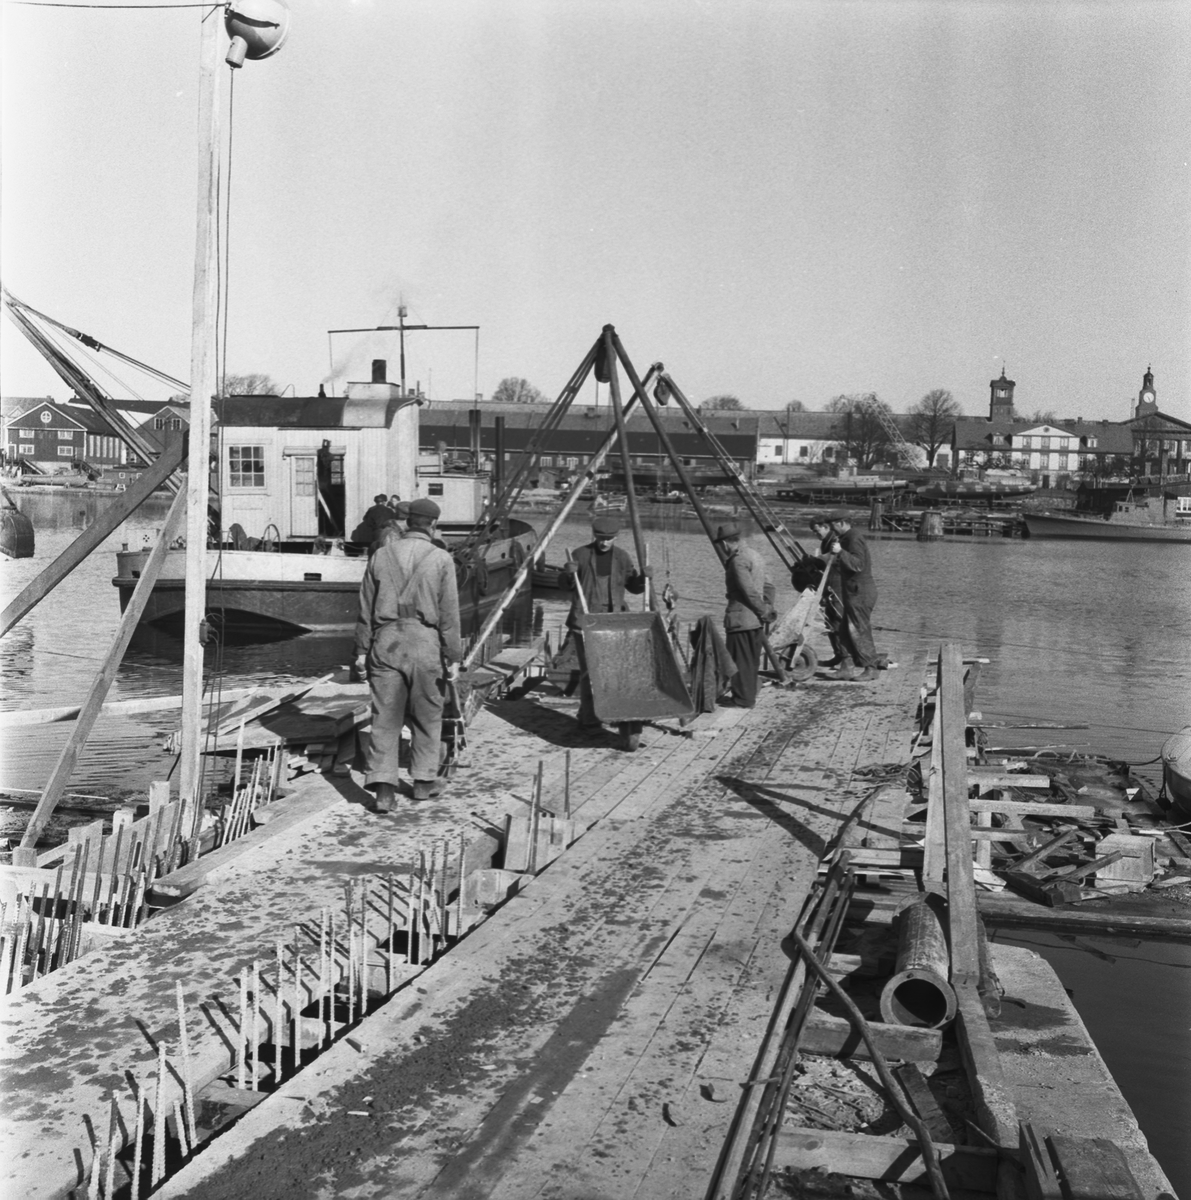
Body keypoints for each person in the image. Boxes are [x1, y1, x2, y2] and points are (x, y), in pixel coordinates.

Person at [354, 497, 461, 809]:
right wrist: (453, 655)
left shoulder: (380, 555)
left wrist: (361, 650)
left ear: (407, 521)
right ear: (433, 525)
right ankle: (424, 783)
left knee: (385, 718)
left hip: (386, 641)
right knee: (428, 715)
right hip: (425, 643)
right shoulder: (441, 559)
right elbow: (449, 614)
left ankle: (384, 792)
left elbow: (364, 609)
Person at [561, 514, 649, 727]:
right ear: (594, 535)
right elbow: (565, 586)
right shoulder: (580, 554)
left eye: (609, 538)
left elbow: (633, 587)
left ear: (616, 537)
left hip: (614, 621)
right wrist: (567, 574)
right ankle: (589, 718)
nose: (604, 542)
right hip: (585, 620)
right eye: (600, 538)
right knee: (589, 671)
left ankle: (610, 711)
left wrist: (643, 579)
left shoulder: (622, 557)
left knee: (614, 669)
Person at [717, 523, 773, 708]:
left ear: (725, 543)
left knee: (739, 659)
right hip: (754, 621)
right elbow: (769, 585)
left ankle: (743, 699)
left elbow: (748, 590)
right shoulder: (755, 555)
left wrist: (762, 610)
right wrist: (767, 607)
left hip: (741, 619)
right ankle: (748, 694)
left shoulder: (737, 560)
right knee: (751, 659)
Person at [827, 511, 878, 682]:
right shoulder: (846, 537)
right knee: (844, 629)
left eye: (833, 525)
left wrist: (840, 551)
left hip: (860, 592)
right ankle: (846, 668)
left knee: (859, 630)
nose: (831, 529)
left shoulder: (853, 538)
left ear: (842, 523)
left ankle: (871, 668)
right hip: (853, 591)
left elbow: (858, 564)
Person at [799, 516, 847, 668]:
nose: (815, 534)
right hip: (830, 584)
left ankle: (847, 659)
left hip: (838, 585)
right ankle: (838, 655)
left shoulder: (834, 540)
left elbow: (832, 559)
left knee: (838, 620)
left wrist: (814, 560)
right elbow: (824, 563)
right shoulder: (825, 541)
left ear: (825, 527)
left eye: (816, 531)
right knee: (830, 620)